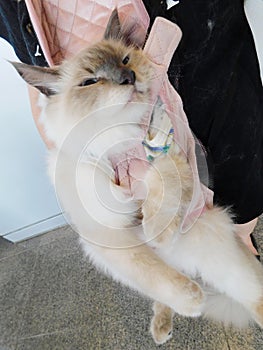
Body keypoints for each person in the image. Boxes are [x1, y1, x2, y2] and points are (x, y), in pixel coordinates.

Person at [1, 0, 262, 254]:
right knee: (158, 206)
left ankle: (240, 235)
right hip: (108, 118)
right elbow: (36, 68)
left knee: (238, 149)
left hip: (195, 40)